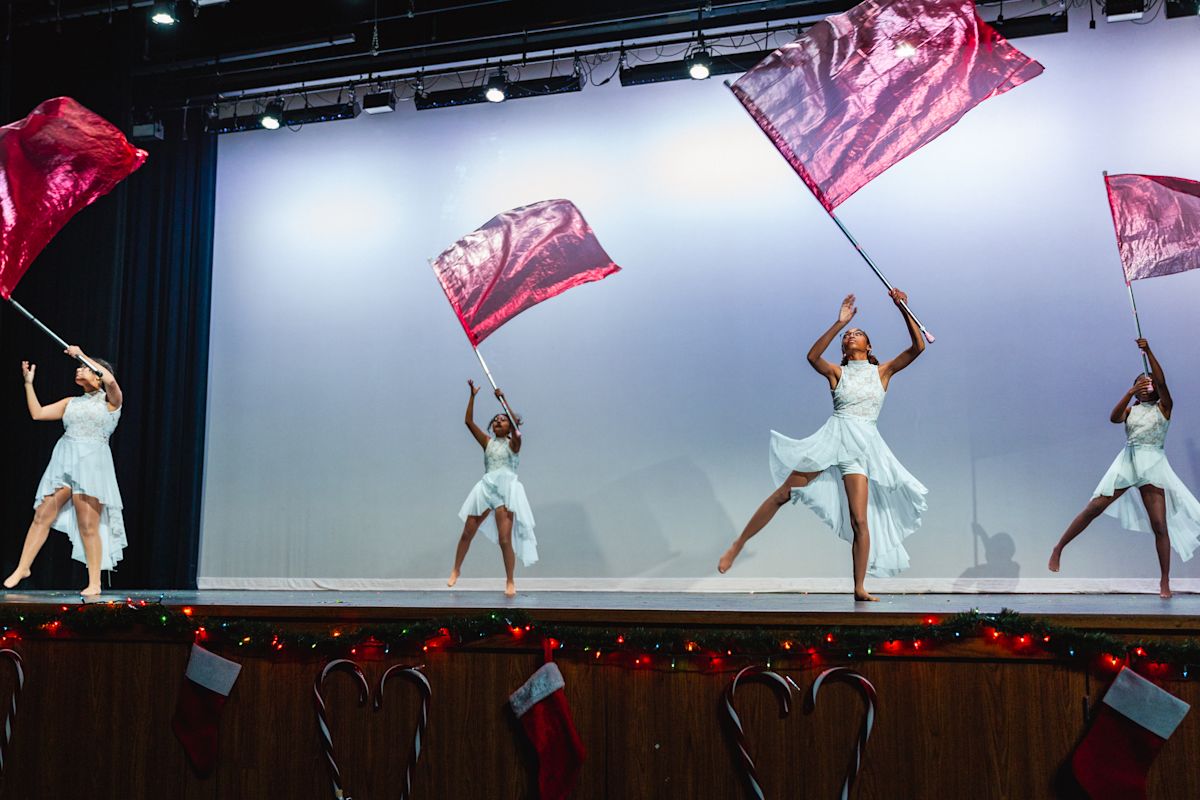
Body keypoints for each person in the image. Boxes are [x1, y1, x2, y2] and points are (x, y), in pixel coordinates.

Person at [718, 290, 928, 601]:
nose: (850, 335)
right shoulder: (837, 372)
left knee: (859, 520)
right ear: (843, 348)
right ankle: (738, 544)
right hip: (833, 440)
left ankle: (859, 587)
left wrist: (903, 307)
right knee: (784, 493)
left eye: (856, 333)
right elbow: (812, 357)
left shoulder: (882, 372)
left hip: (861, 449)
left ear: (869, 346)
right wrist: (838, 322)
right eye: (847, 335)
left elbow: (918, 347)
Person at [1049, 339, 1200, 598]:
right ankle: (1059, 547)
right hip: (1128, 461)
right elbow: (1113, 418)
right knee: (1094, 508)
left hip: (1153, 464)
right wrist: (1130, 392)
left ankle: (1164, 580)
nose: (1146, 387)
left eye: (1149, 384)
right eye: (1141, 384)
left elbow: (1162, 383)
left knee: (1159, 524)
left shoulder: (1164, 408)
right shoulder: (1130, 411)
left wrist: (1148, 351)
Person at [6, 346, 126, 598]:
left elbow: (112, 382)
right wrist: (28, 384)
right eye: (79, 367)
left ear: (98, 376)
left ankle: (94, 582)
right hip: (65, 460)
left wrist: (82, 354)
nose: (79, 370)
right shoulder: (70, 402)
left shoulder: (111, 403)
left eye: (85, 368)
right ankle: (23, 568)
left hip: (91, 464)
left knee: (87, 523)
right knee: (42, 514)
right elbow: (38, 413)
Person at [448, 380, 537, 597]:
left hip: (505, 491)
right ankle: (456, 569)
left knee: (504, 539)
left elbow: (517, 431)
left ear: (509, 427)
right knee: (467, 532)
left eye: (503, 419)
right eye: (496, 419)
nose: (498, 421)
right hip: (486, 488)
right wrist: (472, 396)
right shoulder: (487, 442)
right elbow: (468, 422)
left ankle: (510, 580)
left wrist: (503, 400)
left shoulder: (514, 444)